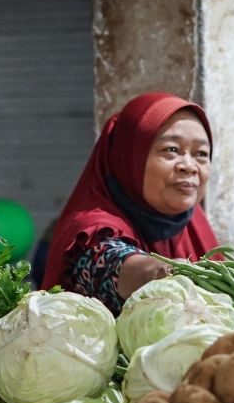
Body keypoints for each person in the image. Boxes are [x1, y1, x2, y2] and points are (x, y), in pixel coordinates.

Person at [41, 92, 219, 313]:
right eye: (171, 150)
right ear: (129, 157)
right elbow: (111, 263)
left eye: (201, 153)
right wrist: (164, 272)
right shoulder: (91, 232)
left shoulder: (193, 223)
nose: (189, 166)